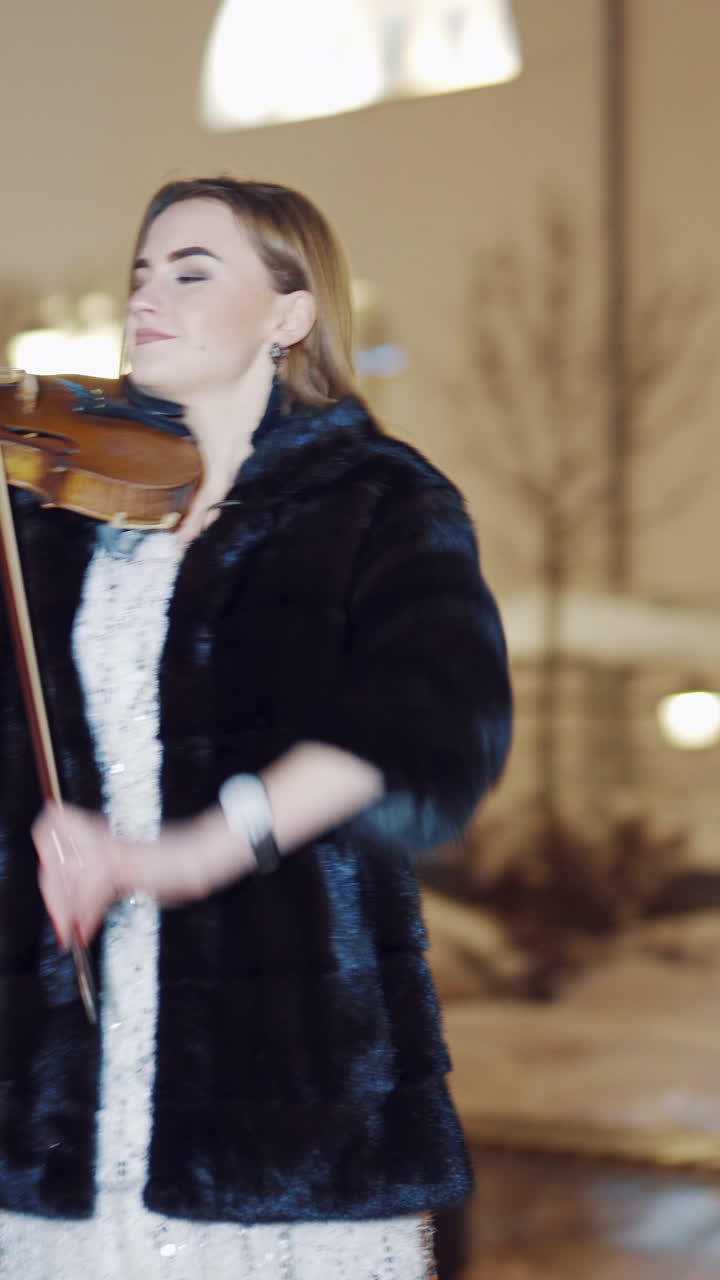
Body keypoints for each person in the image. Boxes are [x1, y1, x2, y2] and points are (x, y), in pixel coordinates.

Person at [0, 177, 512, 1279]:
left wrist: (191, 851)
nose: (147, 296)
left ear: (290, 314)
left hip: (284, 1071)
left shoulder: (377, 501)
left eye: (191, 272)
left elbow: (436, 721)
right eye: (142, 272)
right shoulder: (60, 517)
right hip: (57, 1083)